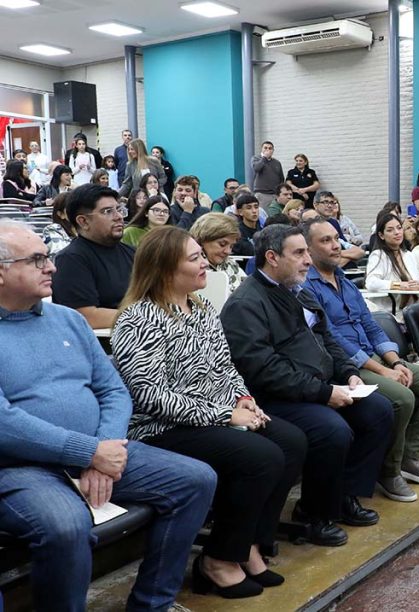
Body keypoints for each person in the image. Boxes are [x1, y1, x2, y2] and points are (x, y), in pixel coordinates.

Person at [0, 219, 216, 611]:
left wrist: (106, 448)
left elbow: (113, 389)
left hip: (100, 447)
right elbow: (4, 422)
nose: (52, 267)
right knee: (65, 526)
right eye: (37, 260)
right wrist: (89, 453)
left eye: (48, 258)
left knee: (196, 480)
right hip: (21, 467)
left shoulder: (67, 320)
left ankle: (152, 603)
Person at [112, 225, 306, 599]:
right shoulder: (139, 318)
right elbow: (150, 396)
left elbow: (225, 366)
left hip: (216, 413)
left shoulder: (199, 307)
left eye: (202, 256)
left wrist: (242, 398)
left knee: (292, 441)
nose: (206, 264)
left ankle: (249, 544)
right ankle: (217, 559)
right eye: (195, 258)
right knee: (260, 456)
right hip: (161, 427)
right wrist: (226, 416)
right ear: (166, 268)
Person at [220, 224, 393, 545]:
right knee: (331, 430)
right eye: (299, 253)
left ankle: (345, 496)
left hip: (317, 384)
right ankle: (314, 513)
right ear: (272, 257)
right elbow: (264, 370)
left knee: (379, 410)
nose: (308, 261)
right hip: (276, 397)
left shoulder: (299, 291)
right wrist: (324, 393)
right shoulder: (246, 304)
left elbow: (328, 340)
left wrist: (347, 374)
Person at [303, 218, 419, 502]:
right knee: (403, 398)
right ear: (308, 249)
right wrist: (382, 369)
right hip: (347, 365)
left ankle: (409, 456)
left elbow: (369, 324)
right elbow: (333, 339)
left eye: (336, 239)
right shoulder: (307, 287)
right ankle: (389, 471)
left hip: (374, 358)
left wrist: (395, 362)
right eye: (325, 241)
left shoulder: (344, 281)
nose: (335, 246)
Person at [51, 185, 134, 329]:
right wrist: (147, 316)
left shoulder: (133, 253)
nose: (119, 217)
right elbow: (86, 315)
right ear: (83, 221)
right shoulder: (70, 260)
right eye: (108, 211)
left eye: (119, 209)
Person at [365, 212, 419, 314]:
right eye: (390, 230)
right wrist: (399, 285)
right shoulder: (378, 255)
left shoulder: (409, 255)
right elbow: (371, 283)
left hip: (413, 311)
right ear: (381, 235)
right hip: (389, 314)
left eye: (399, 228)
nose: (397, 232)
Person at [191, 212, 248, 293]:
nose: (228, 251)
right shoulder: (190, 270)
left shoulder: (231, 265)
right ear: (202, 239)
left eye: (231, 246)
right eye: (222, 244)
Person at [251, 141, 285, 211]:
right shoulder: (256, 159)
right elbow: (256, 168)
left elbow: (281, 178)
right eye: (265, 148)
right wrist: (264, 158)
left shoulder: (277, 163)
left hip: (274, 194)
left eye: (270, 148)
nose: (268, 150)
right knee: (263, 214)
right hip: (262, 194)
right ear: (261, 149)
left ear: (273, 150)